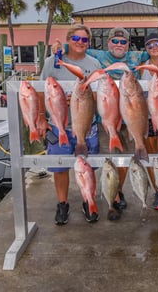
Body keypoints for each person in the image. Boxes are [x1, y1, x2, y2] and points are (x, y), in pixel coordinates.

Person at [37, 24, 102, 225]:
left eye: (84, 40)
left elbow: (100, 94)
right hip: (59, 126)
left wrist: (80, 98)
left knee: (87, 167)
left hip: (86, 125)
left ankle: (87, 200)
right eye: (76, 39)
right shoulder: (53, 61)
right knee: (60, 167)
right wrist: (40, 116)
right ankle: (62, 203)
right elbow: (41, 90)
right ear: (68, 39)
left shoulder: (94, 63)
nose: (80, 43)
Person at [87, 27, 150, 221]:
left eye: (123, 42)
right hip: (107, 120)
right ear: (108, 42)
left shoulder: (136, 56)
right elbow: (72, 46)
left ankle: (118, 190)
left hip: (131, 118)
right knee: (110, 159)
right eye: (115, 41)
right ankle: (113, 203)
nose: (119, 45)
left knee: (125, 161)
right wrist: (58, 47)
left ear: (128, 44)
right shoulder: (98, 55)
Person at [138, 32, 158, 210]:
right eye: (149, 45)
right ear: (146, 49)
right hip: (150, 118)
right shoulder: (143, 68)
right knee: (151, 155)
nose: (154, 47)